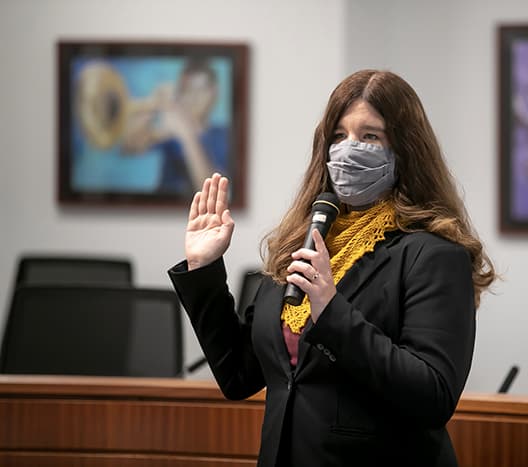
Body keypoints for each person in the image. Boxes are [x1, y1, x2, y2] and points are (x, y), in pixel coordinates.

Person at [168, 69, 495, 467]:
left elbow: (433, 396)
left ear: (405, 150)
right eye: (338, 136)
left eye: (370, 136)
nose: (348, 148)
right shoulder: (303, 242)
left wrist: (330, 310)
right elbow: (239, 376)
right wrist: (204, 269)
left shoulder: (433, 254)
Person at [123, 58, 228, 196]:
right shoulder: (169, 135)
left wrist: (186, 134)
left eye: (201, 89)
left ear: (214, 92)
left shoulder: (224, 135)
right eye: (187, 90)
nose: (193, 98)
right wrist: (153, 104)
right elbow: (129, 147)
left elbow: (214, 196)